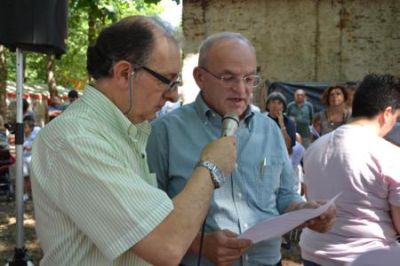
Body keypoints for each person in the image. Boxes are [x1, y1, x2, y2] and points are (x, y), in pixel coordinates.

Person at [30, 16, 238, 266]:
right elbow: (167, 245)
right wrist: (211, 168)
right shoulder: (76, 139)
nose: (172, 95)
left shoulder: (124, 130)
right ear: (124, 73)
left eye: (175, 83)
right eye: (166, 81)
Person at [147, 32, 336, 266]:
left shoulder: (269, 129)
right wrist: (200, 244)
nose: (241, 90)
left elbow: (285, 195)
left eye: (249, 79)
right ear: (200, 77)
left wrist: (303, 211)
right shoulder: (163, 132)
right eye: (228, 78)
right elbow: (150, 218)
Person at [299, 74, 400, 266]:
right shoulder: (391, 155)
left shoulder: (315, 147)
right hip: (368, 256)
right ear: (387, 113)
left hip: (314, 252)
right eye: (396, 117)